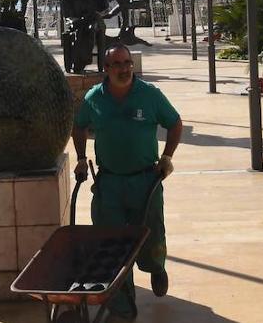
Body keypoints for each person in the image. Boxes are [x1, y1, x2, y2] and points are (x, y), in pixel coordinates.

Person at [72, 45, 182, 321]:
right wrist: (82, 157)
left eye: (127, 63)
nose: (124, 68)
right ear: (106, 69)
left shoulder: (150, 95)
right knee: (112, 244)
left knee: (151, 233)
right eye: (117, 64)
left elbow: (175, 123)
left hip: (146, 180)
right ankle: (121, 306)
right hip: (109, 182)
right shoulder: (94, 98)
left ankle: (156, 266)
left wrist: (167, 157)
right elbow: (79, 125)